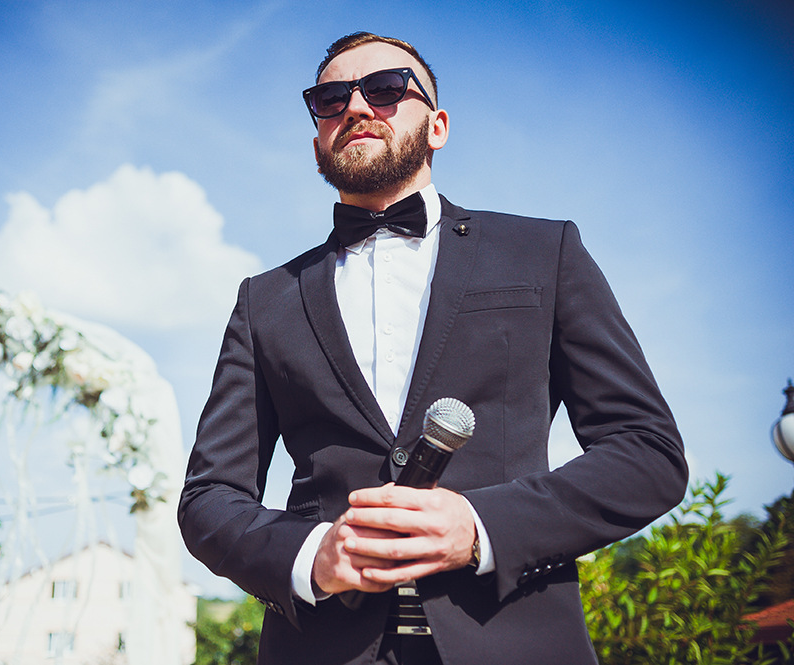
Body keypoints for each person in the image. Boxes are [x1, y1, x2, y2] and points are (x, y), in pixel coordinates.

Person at [178, 32, 687, 665]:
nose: (356, 107)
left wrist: (479, 526)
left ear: (438, 127)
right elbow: (209, 497)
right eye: (331, 99)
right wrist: (310, 556)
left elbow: (647, 452)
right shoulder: (264, 299)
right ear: (317, 141)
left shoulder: (543, 253)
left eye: (385, 88)